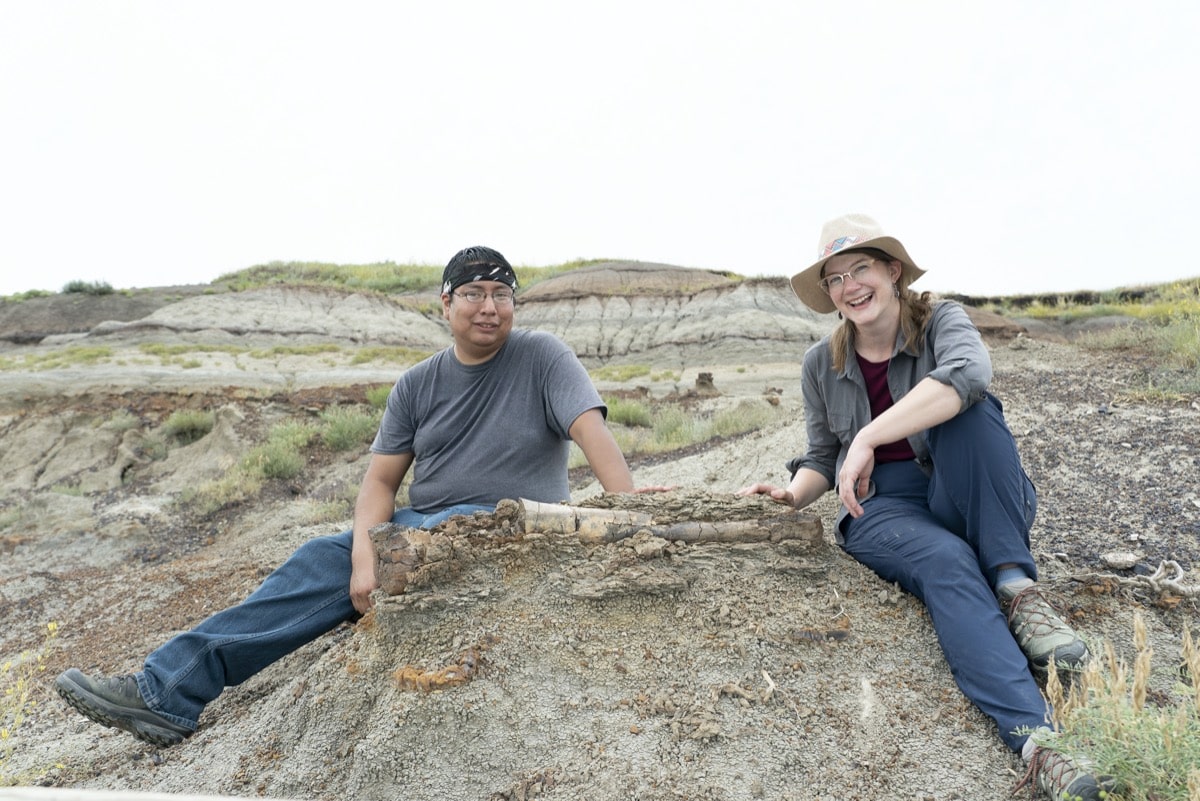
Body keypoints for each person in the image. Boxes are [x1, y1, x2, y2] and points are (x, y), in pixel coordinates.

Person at [57, 245, 645, 748]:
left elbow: (593, 432)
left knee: (439, 530)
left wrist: (629, 514)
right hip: (420, 521)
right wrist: (365, 556)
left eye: (501, 293)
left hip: (507, 519)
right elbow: (380, 483)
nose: (489, 306)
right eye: (472, 292)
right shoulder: (418, 383)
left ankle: (165, 690)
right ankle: (165, 692)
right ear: (445, 304)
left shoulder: (543, 356)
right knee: (317, 557)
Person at [737, 214, 1114, 800]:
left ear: (893, 272)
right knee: (948, 563)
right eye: (834, 279)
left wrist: (867, 436)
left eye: (860, 268)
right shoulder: (820, 363)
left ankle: (1017, 590)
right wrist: (792, 495)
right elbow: (821, 455)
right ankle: (1040, 743)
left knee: (973, 409)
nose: (849, 287)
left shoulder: (941, 320)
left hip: (961, 484)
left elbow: (970, 373)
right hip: (882, 508)